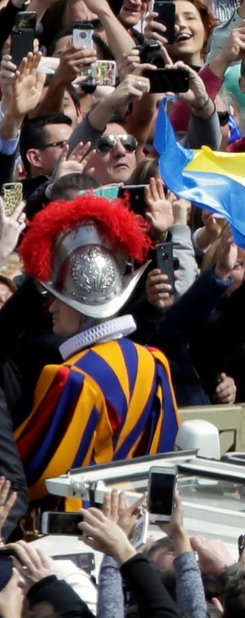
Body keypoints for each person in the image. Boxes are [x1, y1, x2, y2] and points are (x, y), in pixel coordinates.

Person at [14, 196, 180, 501]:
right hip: (132, 513)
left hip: (78, 523)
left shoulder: (71, 377)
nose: (50, 306)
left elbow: (34, 473)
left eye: (59, 298)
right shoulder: (153, 361)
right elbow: (163, 449)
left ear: (83, 308)